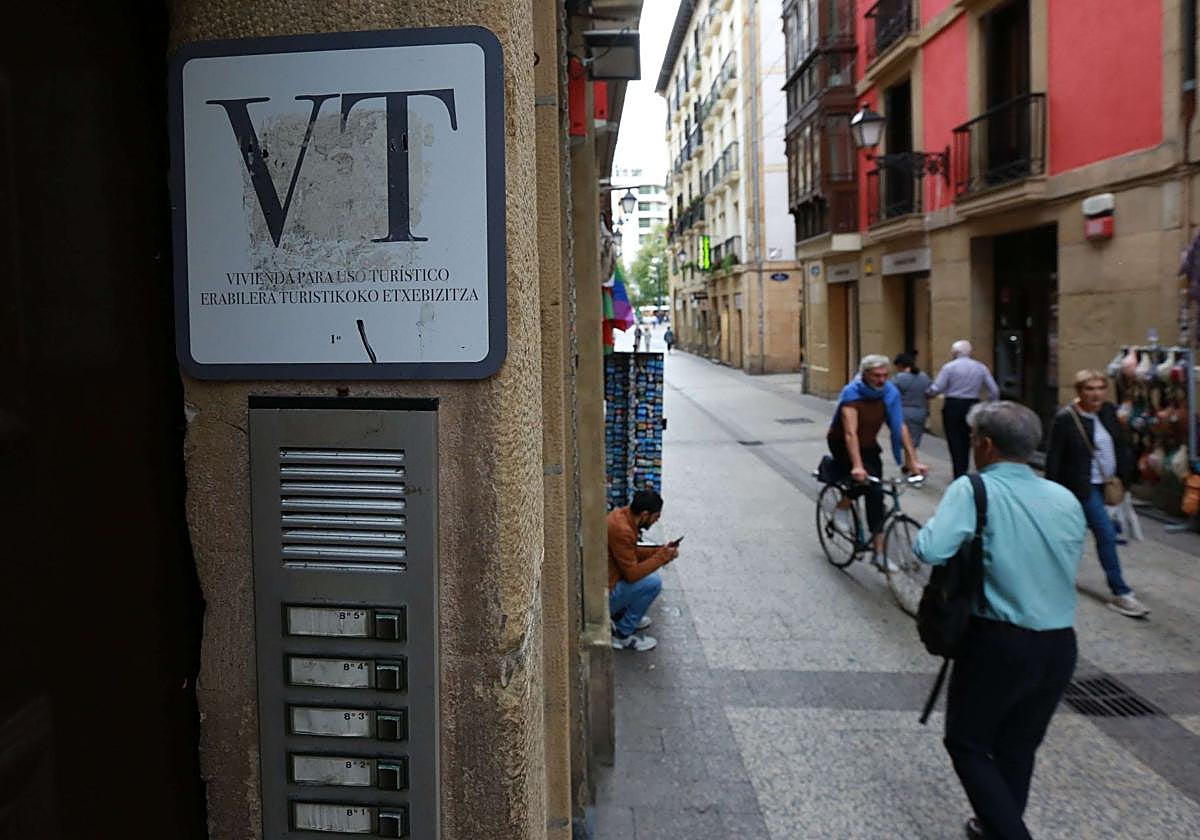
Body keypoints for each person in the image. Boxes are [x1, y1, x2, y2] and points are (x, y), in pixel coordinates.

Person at [914, 401, 1086, 840]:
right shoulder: (1063, 497)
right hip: (1059, 644)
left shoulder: (973, 490)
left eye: (973, 440)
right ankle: (995, 825)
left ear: (985, 445)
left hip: (999, 641)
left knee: (967, 742)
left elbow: (931, 550)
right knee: (1018, 745)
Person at [1045, 369, 1149, 619]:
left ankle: (1052, 575)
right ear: (1079, 391)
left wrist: (1127, 477)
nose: (1096, 394)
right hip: (1082, 485)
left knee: (1073, 534)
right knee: (1105, 532)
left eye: (1100, 388)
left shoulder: (1109, 412)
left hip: (1109, 483)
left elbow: (1121, 445)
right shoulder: (1066, 419)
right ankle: (1121, 592)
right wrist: (1050, 493)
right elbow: (1054, 458)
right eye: (1089, 389)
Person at [829, 355, 930, 570]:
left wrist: (913, 461)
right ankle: (842, 507)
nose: (882, 380)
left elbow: (899, 425)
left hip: (868, 445)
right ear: (864, 374)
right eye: (877, 376)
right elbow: (850, 433)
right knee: (864, 483)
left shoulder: (889, 392)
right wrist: (857, 465)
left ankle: (879, 554)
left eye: (885, 375)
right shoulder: (852, 393)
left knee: (876, 498)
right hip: (843, 443)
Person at [606, 489, 679, 651]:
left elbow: (630, 553)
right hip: (605, 594)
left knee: (649, 577)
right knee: (653, 582)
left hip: (609, 581)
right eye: (655, 517)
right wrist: (662, 557)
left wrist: (659, 551)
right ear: (645, 514)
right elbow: (632, 574)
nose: (655, 522)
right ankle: (623, 633)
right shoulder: (622, 530)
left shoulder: (623, 517)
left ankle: (623, 616)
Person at [927, 340, 1000, 478]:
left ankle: (960, 471)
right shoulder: (980, 367)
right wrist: (989, 405)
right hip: (973, 405)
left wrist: (928, 393)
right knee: (973, 438)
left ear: (954, 353)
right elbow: (994, 390)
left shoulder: (949, 367)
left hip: (954, 405)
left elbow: (938, 388)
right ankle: (978, 469)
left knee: (955, 439)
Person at [892, 352, 932, 449]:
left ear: (900, 365)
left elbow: (890, 393)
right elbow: (930, 392)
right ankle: (911, 459)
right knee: (914, 439)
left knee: (903, 439)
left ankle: (908, 461)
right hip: (920, 412)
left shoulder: (899, 378)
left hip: (903, 411)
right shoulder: (924, 377)